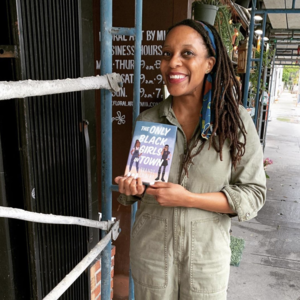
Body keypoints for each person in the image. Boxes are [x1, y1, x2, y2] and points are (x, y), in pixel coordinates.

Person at [115, 19, 266, 300]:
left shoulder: (234, 123)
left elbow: (254, 193)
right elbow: (139, 187)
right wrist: (131, 190)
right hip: (152, 259)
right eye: (167, 53)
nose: (173, 62)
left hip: (205, 262)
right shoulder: (150, 121)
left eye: (187, 53)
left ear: (209, 63)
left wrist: (188, 198)